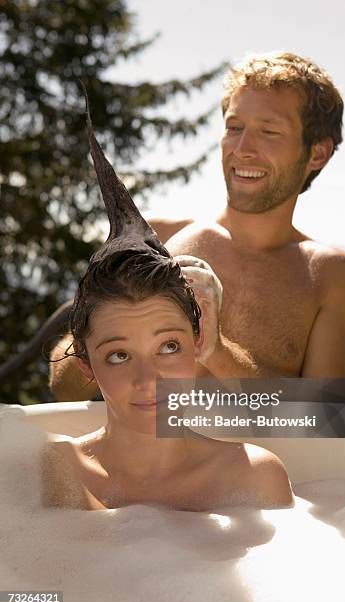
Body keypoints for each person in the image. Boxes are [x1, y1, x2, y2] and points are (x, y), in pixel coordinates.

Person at [49, 50, 345, 399]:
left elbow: (333, 426)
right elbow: (63, 390)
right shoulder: (152, 238)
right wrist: (112, 329)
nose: (242, 148)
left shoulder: (329, 274)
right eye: (234, 127)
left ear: (317, 153)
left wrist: (216, 351)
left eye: (269, 131)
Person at [41, 101, 293, 511]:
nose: (149, 379)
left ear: (197, 342)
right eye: (119, 355)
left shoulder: (254, 479)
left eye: (169, 346)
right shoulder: (59, 472)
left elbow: (334, 420)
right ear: (85, 363)